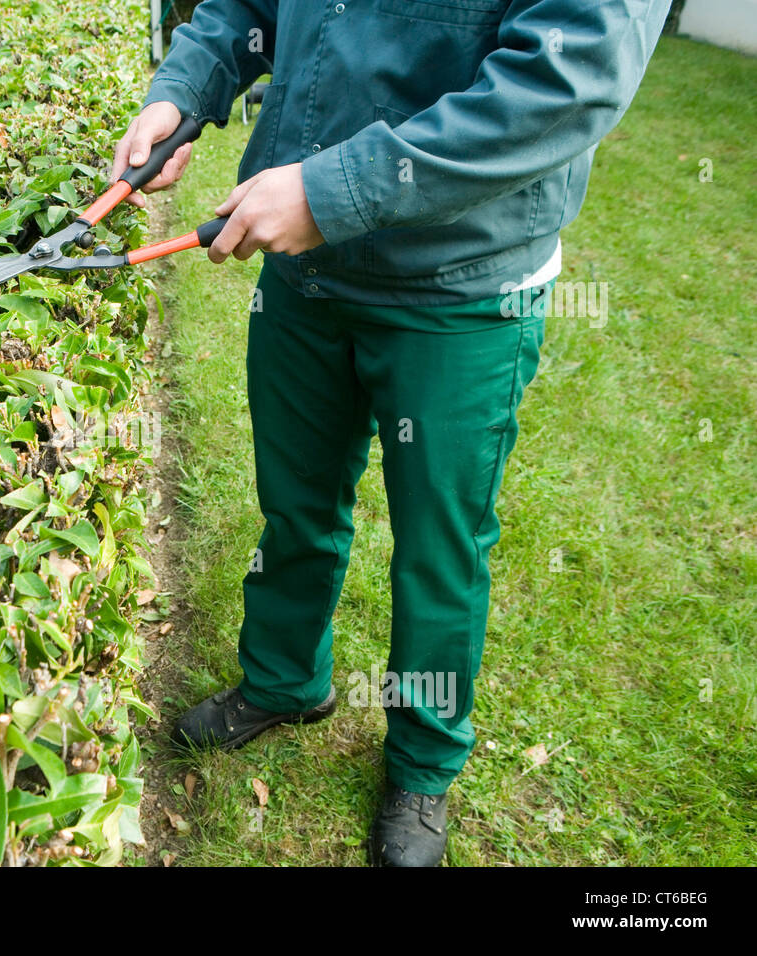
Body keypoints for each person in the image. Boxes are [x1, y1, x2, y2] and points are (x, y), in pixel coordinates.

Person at [112, 0, 672, 866]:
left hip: (461, 288)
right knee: (294, 505)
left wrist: (329, 192)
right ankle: (286, 681)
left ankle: (421, 763)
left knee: (437, 550)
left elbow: (566, 80)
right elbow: (246, 10)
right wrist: (183, 90)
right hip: (307, 274)